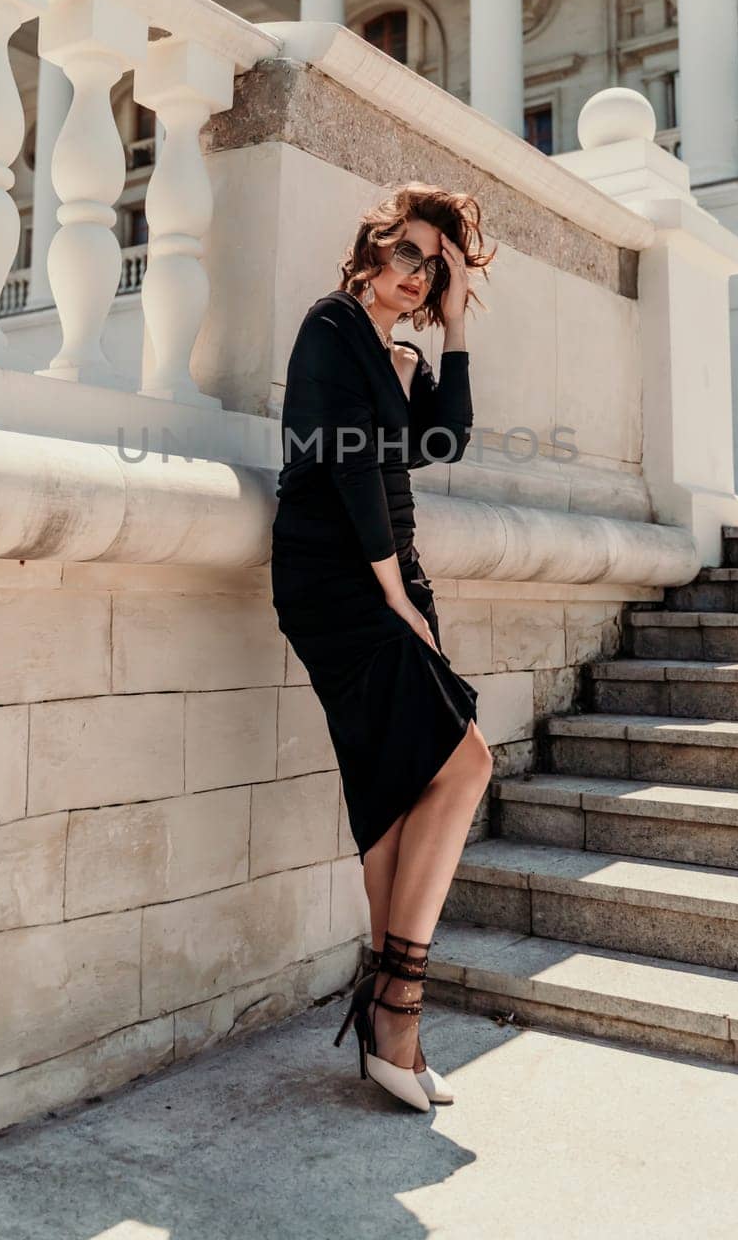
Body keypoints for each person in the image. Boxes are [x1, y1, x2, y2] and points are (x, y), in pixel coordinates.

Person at [270, 182, 497, 1112]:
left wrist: (454, 332)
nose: (416, 274)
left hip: (390, 571)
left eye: (433, 266)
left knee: (397, 791)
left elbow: (448, 438)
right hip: (342, 576)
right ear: (371, 248)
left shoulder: (399, 348)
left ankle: (382, 1022)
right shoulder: (329, 327)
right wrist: (394, 595)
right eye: (407, 254)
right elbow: (350, 462)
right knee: (466, 761)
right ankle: (397, 1006)